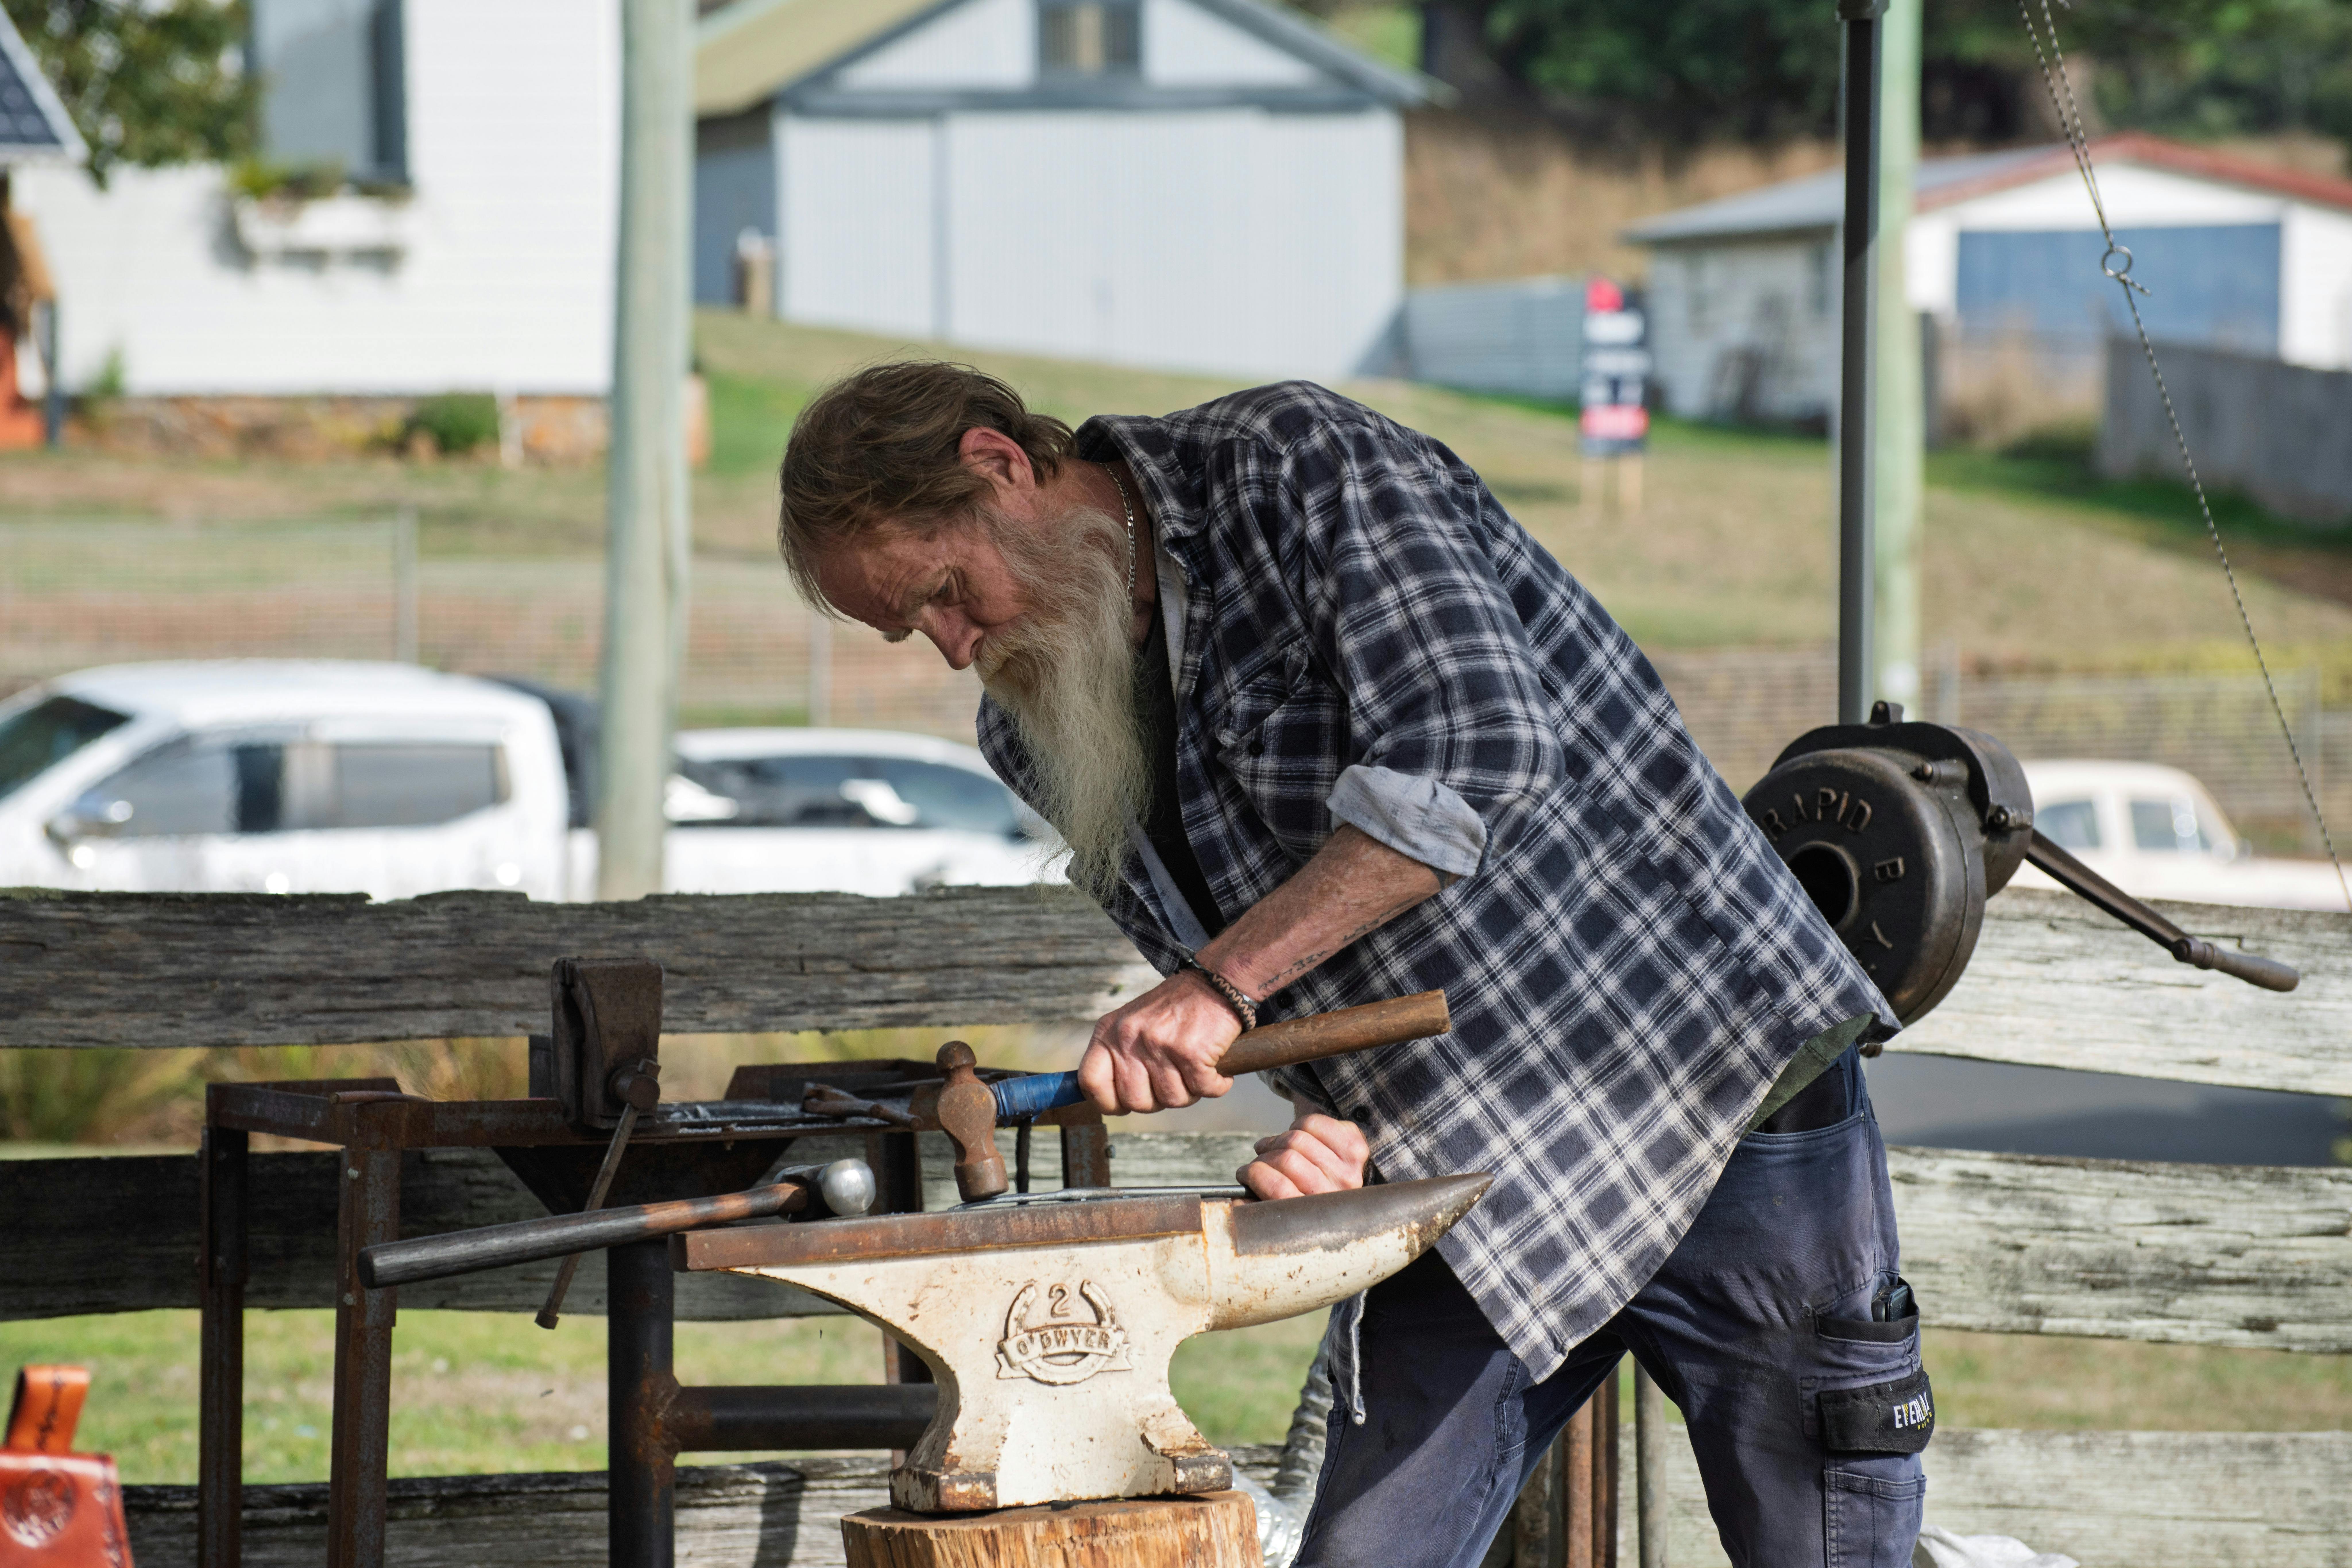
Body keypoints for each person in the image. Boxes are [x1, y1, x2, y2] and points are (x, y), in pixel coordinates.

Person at [775, 363, 1932, 1568]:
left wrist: (1219, 988)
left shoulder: (1288, 464)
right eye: (916, 630)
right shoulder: (1029, 723)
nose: (957, 646)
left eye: (949, 591)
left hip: (1698, 1089)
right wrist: (1328, 1125)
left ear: (1000, 466)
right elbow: (1254, 966)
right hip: (1457, 1177)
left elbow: (1475, 751)